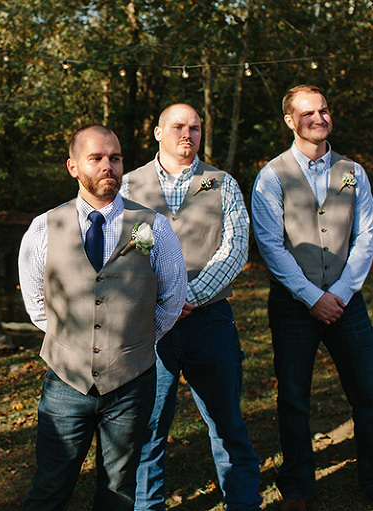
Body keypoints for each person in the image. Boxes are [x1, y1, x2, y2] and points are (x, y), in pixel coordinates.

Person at [18, 124, 187, 510]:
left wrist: (133, 340)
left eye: (115, 158)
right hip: (65, 382)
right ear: (73, 166)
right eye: (95, 158)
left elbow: (172, 298)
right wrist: (72, 344)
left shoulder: (155, 228)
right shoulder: (44, 228)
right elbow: (37, 304)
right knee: (50, 488)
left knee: (118, 489)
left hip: (131, 383)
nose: (108, 166)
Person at [121, 104, 262, 510]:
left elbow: (235, 249)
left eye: (195, 128)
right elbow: (119, 251)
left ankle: (243, 503)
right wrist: (162, 299)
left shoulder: (222, 183)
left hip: (209, 320)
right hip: (149, 325)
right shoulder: (129, 184)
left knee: (227, 423)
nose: (188, 134)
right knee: (148, 429)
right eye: (178, 126)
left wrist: (191, 296)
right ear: (157, 132)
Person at [252, 84, 373, 511]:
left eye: (323, 110)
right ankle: (298, 485)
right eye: (308, 113)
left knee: (368, 392)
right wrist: (310, 297)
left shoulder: (353, 172)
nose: (319, 118)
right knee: (293, 399)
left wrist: (339, 293)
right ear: (290, 120)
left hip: (346, 302)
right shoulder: (272, 176)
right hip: (292, 305)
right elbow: (270, 245)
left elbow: (366, 237)